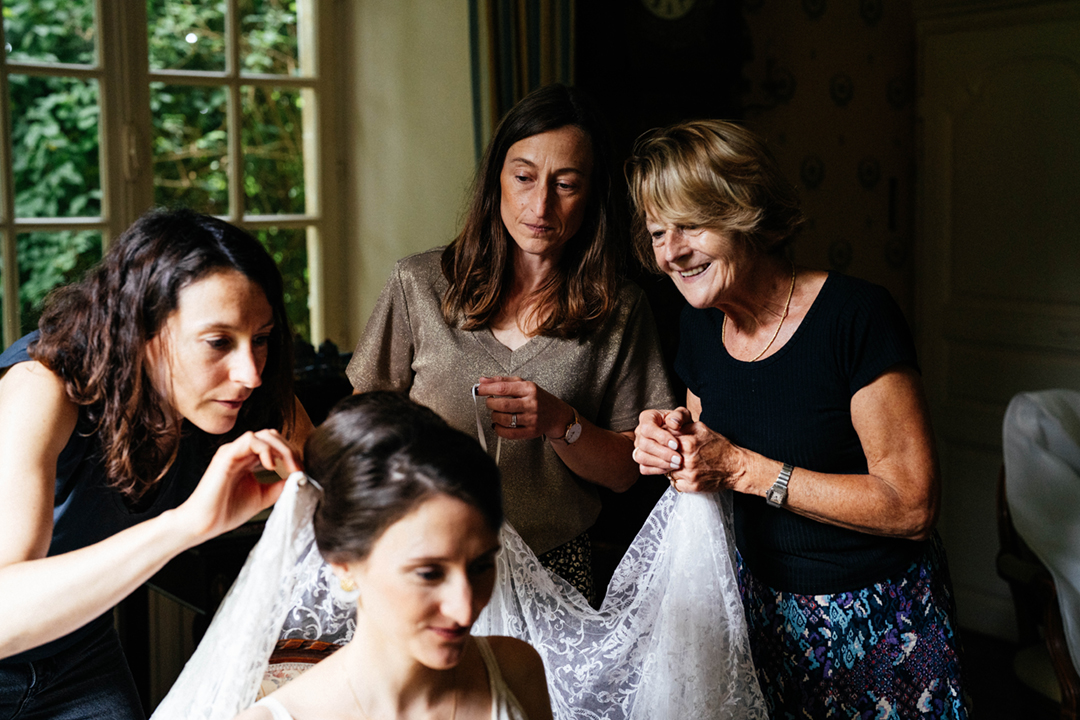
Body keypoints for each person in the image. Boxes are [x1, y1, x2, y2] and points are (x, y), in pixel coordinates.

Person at [626, 120, 969, 718]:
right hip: (758, 617)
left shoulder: (856, 317)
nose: (672, 252)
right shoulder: (702, 328)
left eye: (692, 225)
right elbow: (708, 458)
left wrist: (745, 469)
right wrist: (669, 446)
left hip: (879, 625)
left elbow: (913, 505)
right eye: (659, 232)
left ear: (745, 213)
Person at [346, 84, 675, 601]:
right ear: (496, 178)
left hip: (558, 563)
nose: (540, 203)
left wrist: (560, 423)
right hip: (427, 555)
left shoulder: (621, 308)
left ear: (591, 195)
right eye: (523, 177)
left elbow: (624, 474)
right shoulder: (419, 284)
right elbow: (360, 424)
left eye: (566, 184)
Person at [0, 208, 311, 719]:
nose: (250, 372)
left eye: (260, 338)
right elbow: (7, 613)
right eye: (218, 342)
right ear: (140, 327)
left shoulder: (249, 394)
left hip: (80, 651)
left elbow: (345, 480)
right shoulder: (44, 388)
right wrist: (186, 526)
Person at [232, 392, 552, 720]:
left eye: (481, 566)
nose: (465, 608)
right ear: (344, 564)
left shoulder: (516, 669)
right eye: (429, 573)